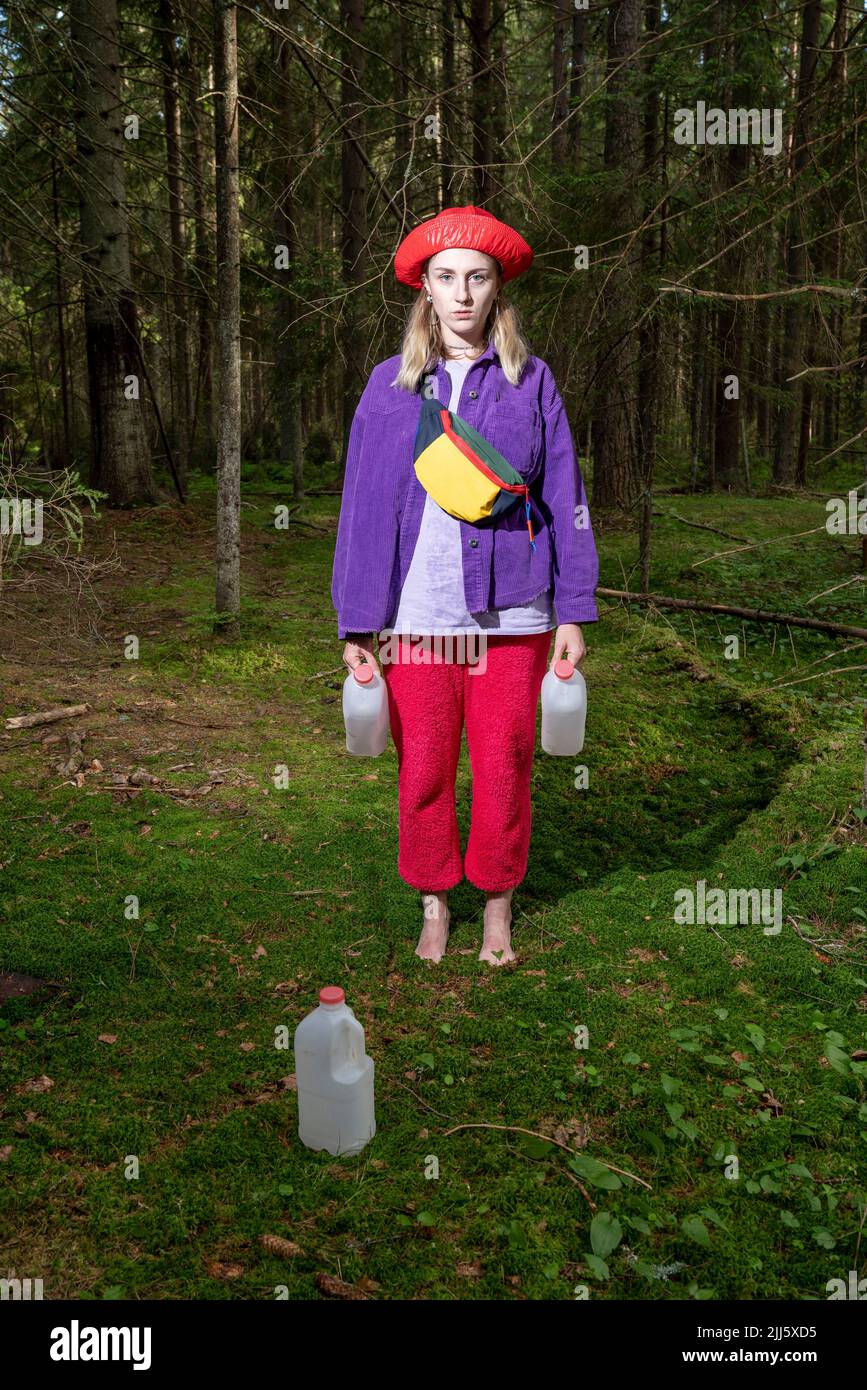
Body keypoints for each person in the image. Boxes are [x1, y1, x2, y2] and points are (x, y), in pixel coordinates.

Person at [331, 205, 599, 966]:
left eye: (476, 278)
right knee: (422, 768)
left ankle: (497, 904)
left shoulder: (529, 381)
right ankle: (434, 902)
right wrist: (357, 621)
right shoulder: (388, 387)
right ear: (424, 288)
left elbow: (565, 494)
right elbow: (362, 508)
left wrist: (573, 609)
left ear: (495, 288)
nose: (460, 294)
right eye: (445, 277)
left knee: (504, 766)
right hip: (417, 619)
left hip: (514, 616)